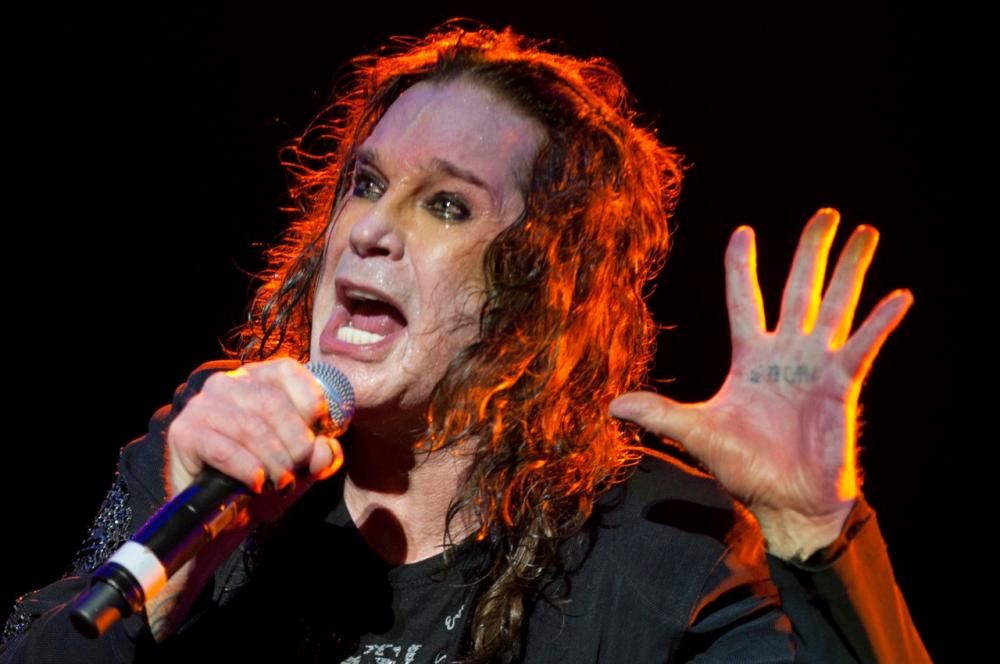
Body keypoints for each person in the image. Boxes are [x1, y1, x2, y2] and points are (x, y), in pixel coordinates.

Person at [0, 21, 931, 663]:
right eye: (366, 184)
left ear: (541, 288)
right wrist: (176, 578)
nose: (371, 229)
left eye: (446, 205)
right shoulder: (210, 449)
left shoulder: (661, 548)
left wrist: (814, 533)